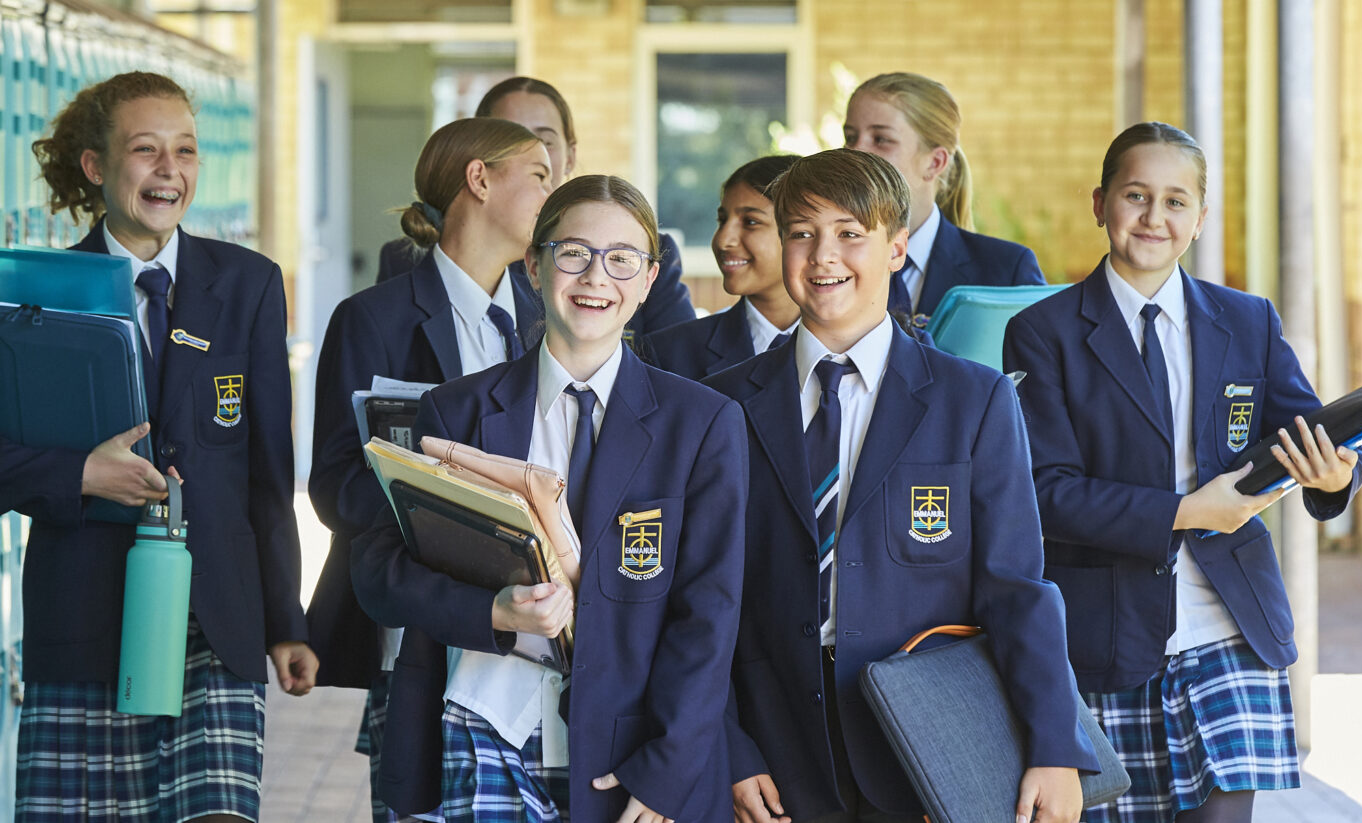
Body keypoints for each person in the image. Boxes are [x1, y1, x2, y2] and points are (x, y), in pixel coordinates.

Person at [705, 149, 1095, 823]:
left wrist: (1056, 746)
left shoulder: (973, 400)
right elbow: (705, 601)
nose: (824, 255)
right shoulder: (721, 407)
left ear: (896, 248)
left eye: (850, 233)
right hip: (776, 751)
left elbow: (1016, 587)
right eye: (802, 233)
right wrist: (729, 747)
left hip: (925, 742)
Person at [1002, 122, 1362, 823]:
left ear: (1200, 219)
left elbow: (1308, 429)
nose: (1153, 217)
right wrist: (1183, 512)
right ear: (1100, 203)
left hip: (1231, 628)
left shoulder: (1247, 321)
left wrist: (1335, 475)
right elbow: (1043, 492)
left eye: (1176, 201)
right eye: (1135, 195)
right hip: (1108, 636)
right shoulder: (1042, 332)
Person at [352, 175, 747, 822]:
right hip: (482, 731)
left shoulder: (702, 423)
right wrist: (496, 611)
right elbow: (379, 575)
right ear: (533, 266)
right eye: (573, 252)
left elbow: (710, 615)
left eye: (622, 258)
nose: (597, 276)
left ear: (648, 281)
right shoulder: (455, 412)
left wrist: (669, 770)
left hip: (630, 755)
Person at [5, 70, 316, 822]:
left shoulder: (249, 284)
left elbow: (269, 475)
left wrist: (285, 622)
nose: (169, 169)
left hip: (216, 620)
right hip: (82, 626)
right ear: (96, 166)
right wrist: (80, 472)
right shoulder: (37, 289)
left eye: (185, 150)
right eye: (145, 150)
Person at [306, 117, 554, 822]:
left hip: (536, 624)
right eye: (537, 175)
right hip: (417, 624)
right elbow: (334, 483)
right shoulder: (373, 318)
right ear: (480, 179)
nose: (551, 191)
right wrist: (448, 517)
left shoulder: (549, 316)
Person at [375, 77, 696, 339]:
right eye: (508, 141)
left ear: (570, 157)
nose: (529, 151)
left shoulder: (640, 257)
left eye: (545, 142)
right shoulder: (413, 262)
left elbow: (681, 376)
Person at [843, 72, 1045, 326]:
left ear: (935, 162)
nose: (854, 152)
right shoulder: (823, 259)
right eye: (850, 137)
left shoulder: (1005, 270)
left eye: (881, 139)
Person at [640, 154, 799, 380]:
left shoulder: (850, 346)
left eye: (750, 222)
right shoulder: (670, 354)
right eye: (722, 221)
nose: (723, 240)